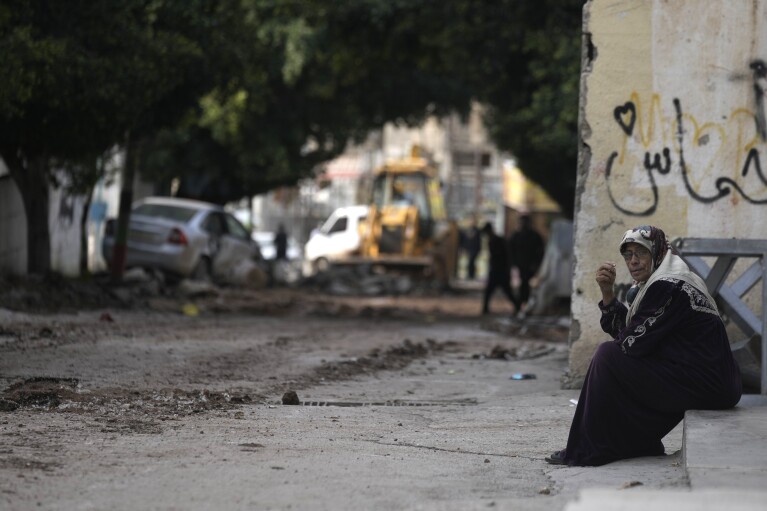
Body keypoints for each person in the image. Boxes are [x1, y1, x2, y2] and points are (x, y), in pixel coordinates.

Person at [545, 225, 742, 466]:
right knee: (616, 359)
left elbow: (631, 344)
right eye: (628, 255)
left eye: (641, 253)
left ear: (658, 253)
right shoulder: (663, 282)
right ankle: (634, 442)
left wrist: (615, 357)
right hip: (709, 381)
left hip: (709, 384)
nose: (634, 262)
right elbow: (635, 336)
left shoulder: (668, 286)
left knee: (607, 356)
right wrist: (608, 294)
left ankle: (587, 447)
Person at [481, 222, 520, 315]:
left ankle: (517, 306)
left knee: (504, 291)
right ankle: (517, 306)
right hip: (499, 270)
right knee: (499, 291)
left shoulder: (496, 240)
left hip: (500, 270)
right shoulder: (495, 240)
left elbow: (504, 255)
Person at [508, 215, 544, 313]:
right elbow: (510, 251)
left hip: (530, 267)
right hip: (520, 267)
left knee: (530, 287)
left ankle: (526, 306)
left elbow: (540, 252)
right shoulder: (516, 236)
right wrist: (514, 264)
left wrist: (536, 264)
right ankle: (521, 306)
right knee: (522, 287)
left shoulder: (535, 236)